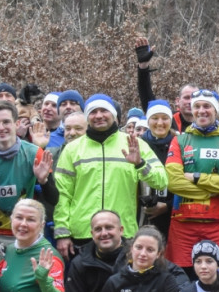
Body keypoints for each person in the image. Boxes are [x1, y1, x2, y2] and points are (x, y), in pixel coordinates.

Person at [54, 94, 168, 259]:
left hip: (123, 233)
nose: (99, 115)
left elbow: (161, 181)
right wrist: (62, 233)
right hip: (83, 233)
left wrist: (140, 164)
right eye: (93, 112)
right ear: (87, 117)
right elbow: (62, 195)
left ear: (114, 115)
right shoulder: (72, 149)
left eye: (104, 111)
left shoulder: (136, 144)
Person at [164, 88, 219, 270]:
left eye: (207, 106)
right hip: (183, 223)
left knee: (217, 277)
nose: (201, 111)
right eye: (197, 106)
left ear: (216, 110)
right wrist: (216, 185)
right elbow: (173, 182)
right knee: (181, 278)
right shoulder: (180, 141)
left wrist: (195, 177)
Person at [0, 102, 58, 239]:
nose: (1, 127)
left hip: (26, 230)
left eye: (6, 122)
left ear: (16, 124)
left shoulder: (34, 154)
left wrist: (43, 180)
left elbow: (53, 199)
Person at [139, 99, 176, 236]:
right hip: (143, 215)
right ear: (148, 121)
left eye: (165, 118)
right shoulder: (138, 144)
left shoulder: (180, 143)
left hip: (173, 214)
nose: (160, 123)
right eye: (154, 118)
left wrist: (168, 206)